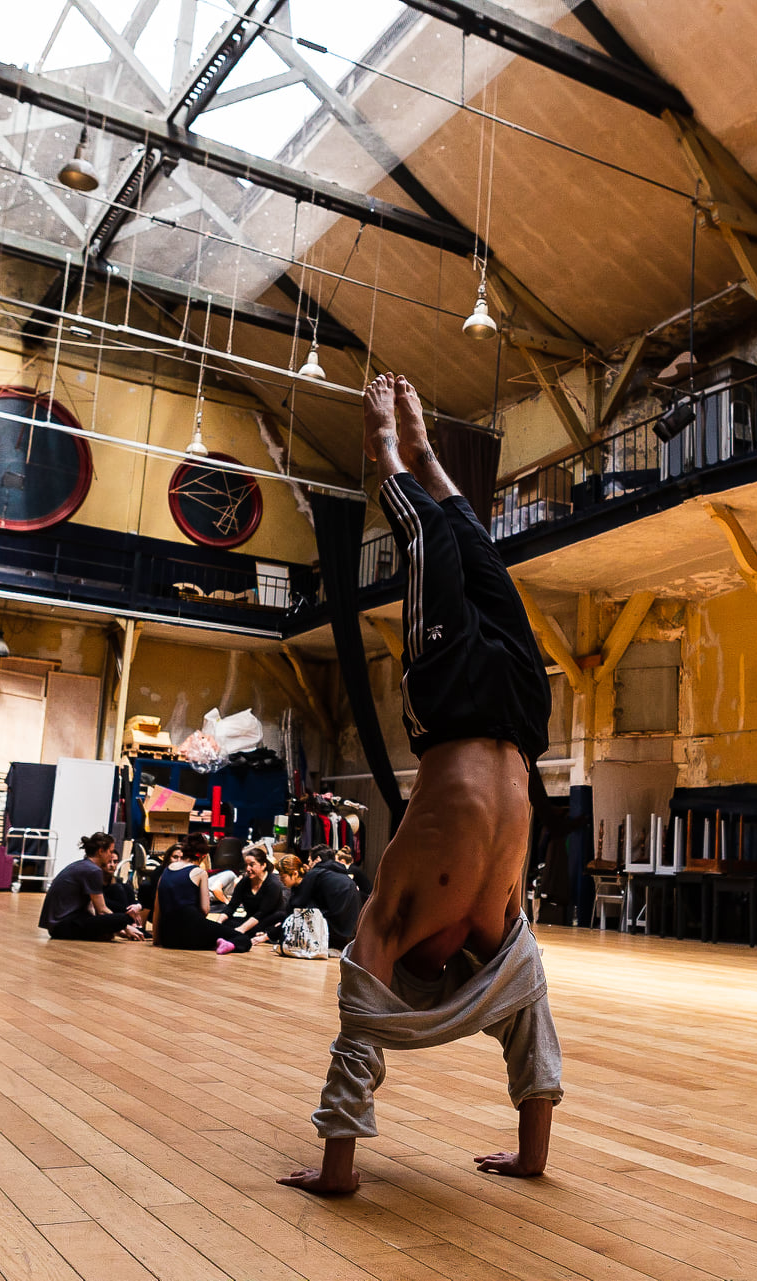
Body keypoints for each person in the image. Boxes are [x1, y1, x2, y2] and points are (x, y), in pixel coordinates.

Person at [280, 374, 562, 1197]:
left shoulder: (399, 906)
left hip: (458, 709)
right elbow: (532, 1034)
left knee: (431, 545)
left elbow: (360, 1021)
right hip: (516, 712)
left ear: (430, 962)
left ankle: (395, 453)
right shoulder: (503, 939)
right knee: (473, 549)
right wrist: (531, 1158)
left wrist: (336, 1169)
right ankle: (420, 455)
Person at [41, 833, 146, 942]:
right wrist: (124, 926)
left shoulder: (83, 865)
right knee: (123, 918)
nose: (111, 856)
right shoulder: (93, 870)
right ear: (101, 851)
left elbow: (91, 907)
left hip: (58, 924)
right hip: (62, 926)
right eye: (110, 851)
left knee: (111, 922)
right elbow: (102, 910)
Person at [153, 842, 253, 954]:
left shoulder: (165, 873)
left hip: (169, 938)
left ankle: (217, 942)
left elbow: (158, 910)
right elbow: (205, 909)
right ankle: (224, 944)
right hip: (191, 929)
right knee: (243, 940)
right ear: (203, 856)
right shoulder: (200, 872)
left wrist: (156, 939)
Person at [284, 847, 364, 947]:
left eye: (309, 861)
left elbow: (297, 903)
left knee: (304, 906)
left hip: (333, 931)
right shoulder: (343, 875)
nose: (309, 865)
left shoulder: (316, 872)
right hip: (352, 931)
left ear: (317, 859)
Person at [224, 842, 288, 939]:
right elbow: (232, 906)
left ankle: (265, 933)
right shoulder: (244, 882)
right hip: (251, 920)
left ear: (263, 865)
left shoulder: (272, 884)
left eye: (252, 865)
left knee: (243, 929)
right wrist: (217, 924)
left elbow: (261, 913)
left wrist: (241, 930)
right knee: (227, 923)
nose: (248, 869)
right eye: (246, 865)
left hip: (268, 921)